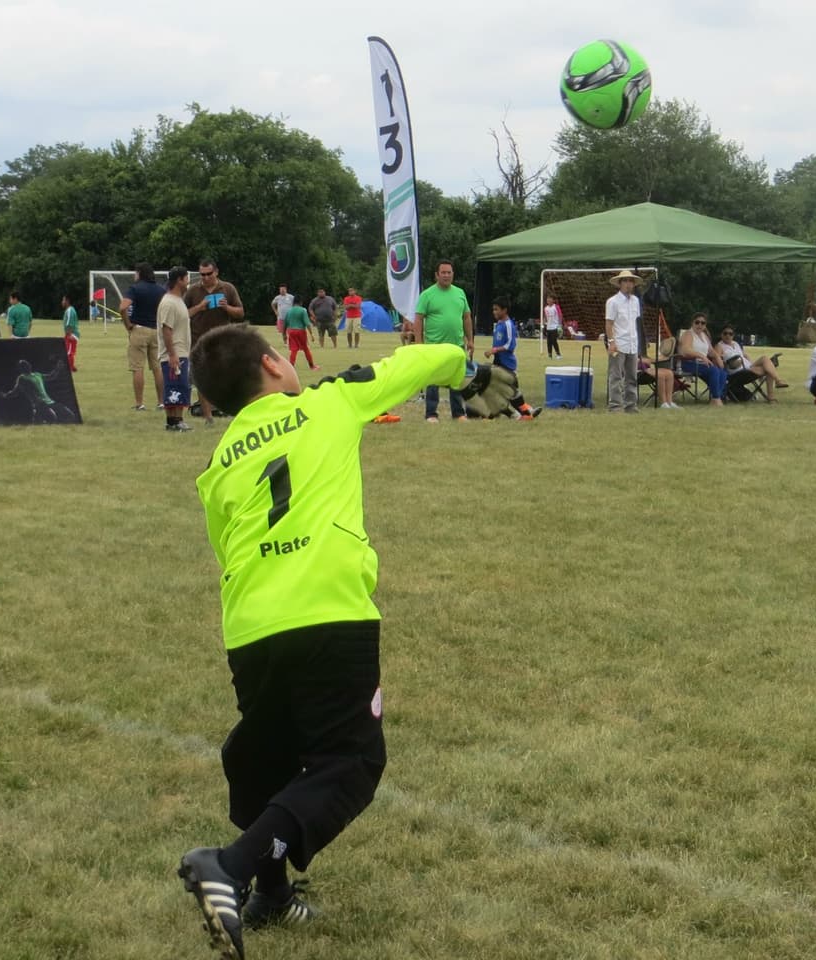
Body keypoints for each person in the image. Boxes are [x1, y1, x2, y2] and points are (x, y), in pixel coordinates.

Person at [177, 325, 511, 960]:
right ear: (275, 365)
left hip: (249, 623)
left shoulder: (217, 464)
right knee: (350, 762)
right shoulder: (328, 401)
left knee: (268, 756)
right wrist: (463, 372)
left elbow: (225, 548)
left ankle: (270, 897)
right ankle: (231, 865)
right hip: (328, 610)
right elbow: (417, 361)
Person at [414, 259, 473, 422]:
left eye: (449, 272)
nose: (446, 275)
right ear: (436, 275)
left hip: (457, 346)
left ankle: (458, 413)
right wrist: (419, 344)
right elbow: (418, 319)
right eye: (443, 272)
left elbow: (466, 317)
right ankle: (431, 414)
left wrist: (470, 339)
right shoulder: (427, 295)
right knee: (433, 381)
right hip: (435, 346)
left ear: (453, 274)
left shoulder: (460, 293)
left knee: (456, 379)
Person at [118, 263, 166, 411]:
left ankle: (140, 403)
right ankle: (161, 402)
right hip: (156, 331)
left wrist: (128, 324)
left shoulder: (135, 288)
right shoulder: (160, 290)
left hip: (139, 329)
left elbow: (123, 307)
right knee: (157, 368)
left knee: (138, 368)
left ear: (139, 273)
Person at [483, 296, 539, 419]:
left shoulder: (508, 325)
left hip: (507, 363)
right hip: (498, 361)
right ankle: (522, 411)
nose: (494, 312)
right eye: (493, 309)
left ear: (505, 310)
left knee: (509, 390)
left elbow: (510, 345)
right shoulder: (498, 324)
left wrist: (494, 350)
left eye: (497, 309)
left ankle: (524, 412)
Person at [158, 267, 193, 432]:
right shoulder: (169, 302)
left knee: (181, 385)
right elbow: (166, 329)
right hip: (175, 353)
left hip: (182, 352)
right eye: (186, 278)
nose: (188, 281)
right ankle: (175, 420)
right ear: (179, 280)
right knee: (176, 386)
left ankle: (174, 420)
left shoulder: (179, 300)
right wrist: (172, 354)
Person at [604, 269, 642, 413]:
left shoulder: (635, 301)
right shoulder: (612, 302)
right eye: (625, 281)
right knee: (616, 376)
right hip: (619, 343)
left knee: (632, 377)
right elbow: (609, 324)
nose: (628, 284)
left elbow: (635, 322)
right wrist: (612, 341)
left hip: (632, 343)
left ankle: (631, 405)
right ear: (620, 283)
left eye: (630, 281)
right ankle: (615, 406)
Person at [716, 325, 787, 401]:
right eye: (725, 333)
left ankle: (777, 381)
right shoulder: (719, 346)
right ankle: (772, 394)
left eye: (730, 334)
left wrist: (750, 363)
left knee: (765, 359)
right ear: (721, 334)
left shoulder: (735, 344)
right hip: (736, 371)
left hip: (747, 367)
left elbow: (744, 355)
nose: (728, 335)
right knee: (769, 369)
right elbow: (717, 360)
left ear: (733, 335)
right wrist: (727, 363)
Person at [185, 258, 245, 347]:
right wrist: (199, 307)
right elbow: (183, 314)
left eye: (209, 274)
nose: (206, 277)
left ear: (216, 272)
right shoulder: (192, 290)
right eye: (203, 274)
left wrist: (226, 307)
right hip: (198, 341)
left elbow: (241, 313)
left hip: (222, 340)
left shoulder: (228, 288)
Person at [678, 312, 728, 406]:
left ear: (705, 325)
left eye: (703, 323)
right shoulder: (688, 334)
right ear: (692, 323)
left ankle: (716, 398)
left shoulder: (704, 336)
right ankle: (716, 399)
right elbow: (685, 350)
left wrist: (717, 357)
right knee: (714, 371)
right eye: (697, 322)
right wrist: (701, 356)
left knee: (723, 372)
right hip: (689, 363)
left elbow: (711, 351)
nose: (700, 325)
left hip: (702, 364)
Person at [282, 295, 318, 370]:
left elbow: (285, 324)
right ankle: (312, 366)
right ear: (301, 302)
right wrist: (311, 334)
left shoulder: (289, 311)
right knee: (305, 348)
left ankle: (291, 367)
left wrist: (284, 334)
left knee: (293, 350)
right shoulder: (303, 310)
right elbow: (307, 323)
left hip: (291, 331)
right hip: (300, 331)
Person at [61, 293, 80, 371]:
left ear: (67, 301)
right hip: (70, 334)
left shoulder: (69, 311)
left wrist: (68, 335)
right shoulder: (70, 310)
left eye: (63, 300)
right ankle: (72, 366)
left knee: (69, 352)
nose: (62, 302)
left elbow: (69, 324)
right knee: (69, 350)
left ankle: (70, 368)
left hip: (71, 334)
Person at [543, 293, 564, 359]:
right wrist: (544, 325)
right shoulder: (546, 308)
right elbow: (546, 317)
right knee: (548, 342)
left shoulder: (556, 307)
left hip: (555, 326)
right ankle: (550, 355)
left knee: (554, 341)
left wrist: (560, 325)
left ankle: (558, 354)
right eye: (547, 299)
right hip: (548, 327)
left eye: (550, 299)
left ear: (553, 300)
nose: (548, 300)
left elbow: (560, 315)